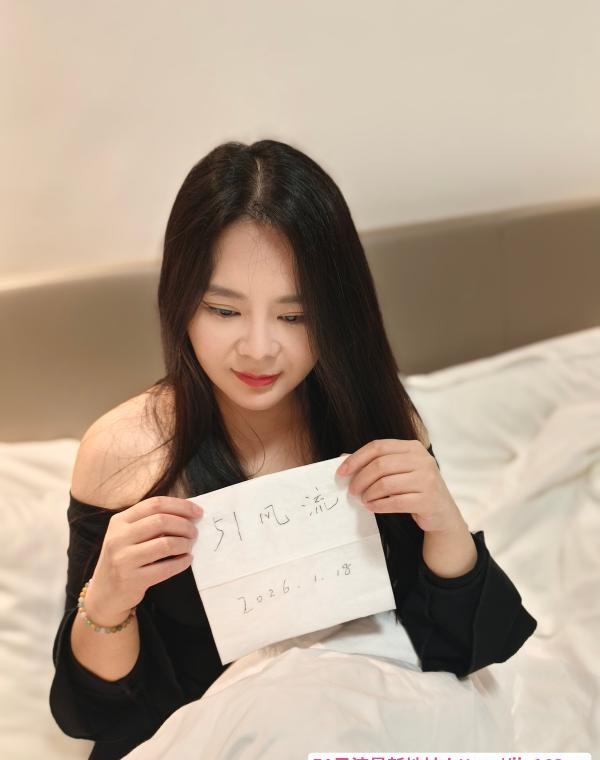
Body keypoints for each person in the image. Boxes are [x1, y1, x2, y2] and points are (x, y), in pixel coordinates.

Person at [49, 139, 537, 760]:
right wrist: (109, 598)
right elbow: (96, 714)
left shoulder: (374, 423)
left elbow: (460, 649)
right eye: (223, 309)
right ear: (180, 303)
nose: (258, 349)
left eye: (295, 316)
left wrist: (445, 524)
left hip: (363, 724)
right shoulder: (125, 453)